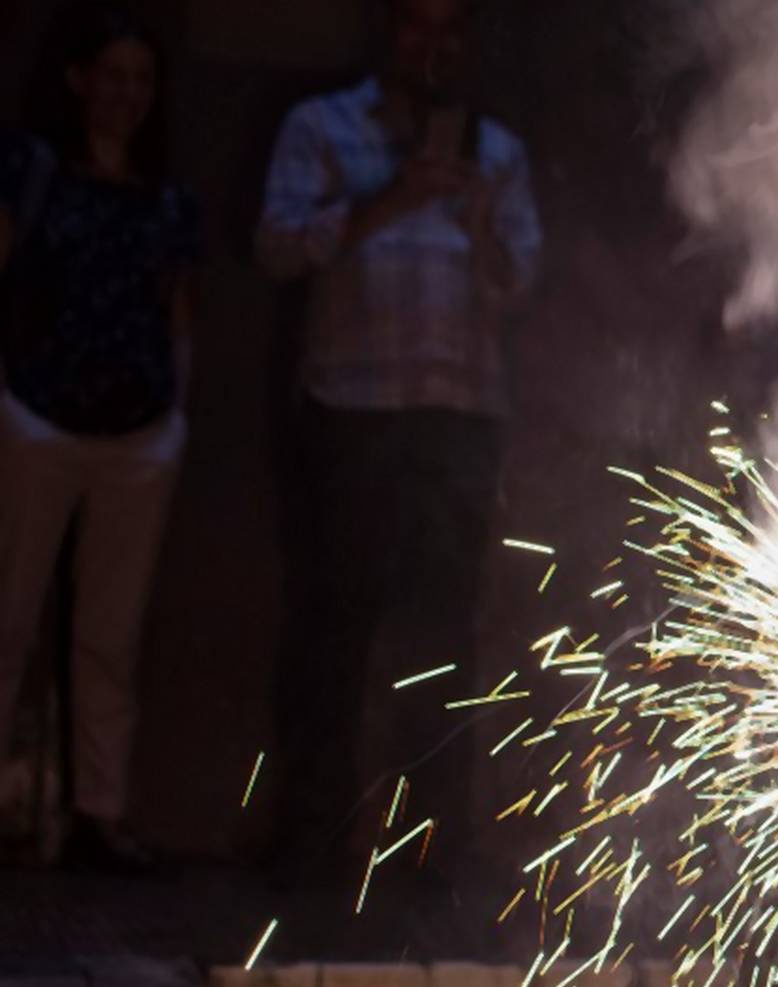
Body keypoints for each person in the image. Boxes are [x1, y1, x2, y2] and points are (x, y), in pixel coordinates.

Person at [257, 0, 541, 880]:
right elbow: (274, 250)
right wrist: (390, 199)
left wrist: (478, 219)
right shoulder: (323, 128)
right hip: (354, 413)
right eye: (418, 27)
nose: (433, 47)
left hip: (458, 421)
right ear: (389, 36)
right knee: (333, 629)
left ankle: (434, 848)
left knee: (443, 642)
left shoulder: (496, 153)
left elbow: (520, 284)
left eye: (451, 31)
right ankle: (314, 843)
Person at [0, 6, 197, 872]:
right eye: (111, 75)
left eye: (141, 80)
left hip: (136, 432)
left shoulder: (163, 200)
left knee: (109, 635)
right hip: (37, 417)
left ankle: (98, 814)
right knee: (7, 617)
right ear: (79, 79)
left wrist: (175, 413)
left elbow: (180, 311)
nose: (126, 95)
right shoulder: (36, 173)